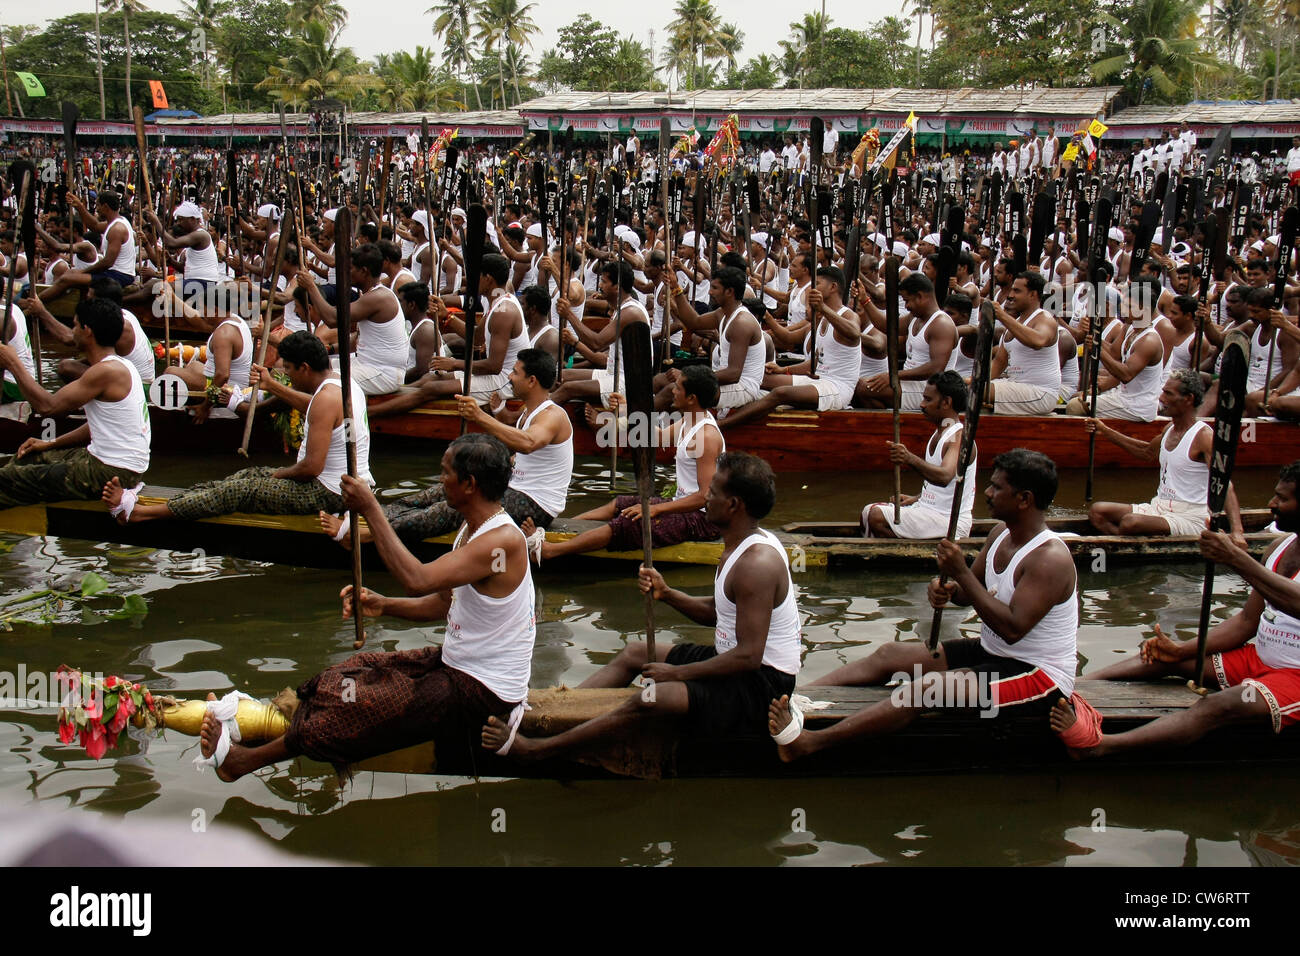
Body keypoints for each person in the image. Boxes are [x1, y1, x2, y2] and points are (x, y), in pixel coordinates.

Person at [197, 434, 533, 781]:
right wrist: (384, 605)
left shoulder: (502, 541)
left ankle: (241, 762)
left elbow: (417, 579)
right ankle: (248, 724)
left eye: (445, 472)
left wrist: (371, 508)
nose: (440, 480)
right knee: (348, 672)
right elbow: (444, 603)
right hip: (458, 665)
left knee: (353, 706)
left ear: (469, 484)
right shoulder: (473, 529)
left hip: (485, 690)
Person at [481, 451, 800, 761]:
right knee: (634, 653)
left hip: (762, 685)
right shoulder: (738, 543)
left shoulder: (756, 563)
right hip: (734, 662)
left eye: (712, 493)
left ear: (733, 505)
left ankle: (537, 750)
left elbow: (748, 656)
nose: (705, 498)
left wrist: (677, 673)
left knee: (651, 698)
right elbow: (720, 613)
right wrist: (668, 593)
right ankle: (559, 712)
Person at [769, 449, 1078, 761]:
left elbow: (1013, 629)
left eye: (997, 487)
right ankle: (793, 699)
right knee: (889, 654)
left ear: (1024, 499)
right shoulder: (1001, 533)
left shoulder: (1049, 558)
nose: (987, 492)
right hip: (993, 652)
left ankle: (809, 744)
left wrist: (959, 572)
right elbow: (969, 592)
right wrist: (947, 589)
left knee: (925, 688)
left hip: (1039, 678)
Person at [1059, 463, 1300, 756]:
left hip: (1296, 676)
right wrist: (1182, 650)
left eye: (1282, 499)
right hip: (1259, 658)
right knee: (1159, 658)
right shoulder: (1278, 548)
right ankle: (1073, 688)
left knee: (1215, 704)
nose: (1271, 504)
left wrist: (1238, 559)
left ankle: (1102, 747)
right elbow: (1246, 622)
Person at [101, 331, 370, 525]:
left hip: (331, 494)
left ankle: (140, 514)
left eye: (288, 369)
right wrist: (273, 385)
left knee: (238, 491)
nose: (285, 374)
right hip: (345, 483)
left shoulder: (325, 399)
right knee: (245, 475)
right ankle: (175, 500)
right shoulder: (340, 382)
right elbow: (314, 405)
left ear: (305, 367)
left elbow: (311, 468)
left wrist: (279, 475)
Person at [323, 348, 573, 549]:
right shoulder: (526, 411)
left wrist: (479, 416)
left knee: (456, 504)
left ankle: (371, 535)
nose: (509, 377)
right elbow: (520, 448)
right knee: (437, 492)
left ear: (532, 381)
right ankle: (372, 518)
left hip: (536, 505)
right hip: (513, 487)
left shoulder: (553, 416)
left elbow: (529, 444)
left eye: (515, 373)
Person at [529, 364, 724, 562]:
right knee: (620, 504)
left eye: (679, 388)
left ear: (692, 398)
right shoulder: (691, 419)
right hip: (682, 506)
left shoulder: (706, 436)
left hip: (702, 520)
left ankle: (551, 551)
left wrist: (654, 510)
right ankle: (564, 528)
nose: (672, 391)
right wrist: (626, 410)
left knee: (627, 523)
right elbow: (656, 437)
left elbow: (704, 497)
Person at [0, 298, 149, 508]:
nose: (73, 331)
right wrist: (51, 443)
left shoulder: (106, 371)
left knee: (7, 479)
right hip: (113, 464)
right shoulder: (120, 365)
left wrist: (13, 363)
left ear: (87, 331)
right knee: (27, 458)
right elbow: (97, 426)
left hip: (113, 473)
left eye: (75, 325)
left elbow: (47, 407)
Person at [1086, 368, 1245, 541]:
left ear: (1188, 399)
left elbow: (1225, 485)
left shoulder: (1204, 437)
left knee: (1130, 523)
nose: (1161, 398)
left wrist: (1237, 532)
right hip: (1160, 507)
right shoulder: (1169, 429)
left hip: (1190, 517)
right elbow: (1146, 452)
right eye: (1163, 392)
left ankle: (1128, 543)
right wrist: (1104, 430)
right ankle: (1131, 543)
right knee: (1098, 512)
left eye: (1168, 394)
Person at [370, 251, 526, 415]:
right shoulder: (497, 299)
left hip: (507, 381)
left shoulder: (504, 312)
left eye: (476, 276)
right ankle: (392, 396)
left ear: (488, 279)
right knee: (430, 378)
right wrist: (447, 315)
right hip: (497, 374)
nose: (472, 281)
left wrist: (454, 364)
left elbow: (493, 366)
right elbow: (477, 337)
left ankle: (372, 412)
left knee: (432, 387)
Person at [718, 265, 861, 428]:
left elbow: (855, 333)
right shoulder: (820, 319)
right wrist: (784, 370)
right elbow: (810, 358)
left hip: (838, 388)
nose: (813, 289)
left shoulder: (848, 315)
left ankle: (723, 425)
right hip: (818, 380)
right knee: (760, 379)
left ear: (833, 287)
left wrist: (824, 308)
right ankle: (728, 408)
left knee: (781, 393)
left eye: (818, 284)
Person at [862, 371, 976, 539]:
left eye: (928, 400)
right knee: (867, 512)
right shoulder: (944, 429)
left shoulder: (958, 437)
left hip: (950, 521)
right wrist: (917, 499)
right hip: (929, 512)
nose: (922, 405)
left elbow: (944, 477)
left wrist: (908, 458)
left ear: (946, 402)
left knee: (875, 515)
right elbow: (946, 488)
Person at [301, 242, 408, 396]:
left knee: (319, 379)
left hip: (383, 374)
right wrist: (330, 350)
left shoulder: (379, 297)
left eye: (350, 269)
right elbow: (358, 339)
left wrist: (311, 287)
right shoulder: (370, 294)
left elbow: (332, 319)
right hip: (367, 366)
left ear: (364, 271)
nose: (346, 272)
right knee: (312, 366)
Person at [667, 266, 765, 414]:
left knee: (672, 391)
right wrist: (676, 287)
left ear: (730, 292)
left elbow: (733, 374)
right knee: (661, 381)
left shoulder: (741, 323)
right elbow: (694, 322)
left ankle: (644, 431)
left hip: (743, 387)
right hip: (727, 380)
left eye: (714, 288)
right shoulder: (723, 313)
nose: (710, 292)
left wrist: (686, 376)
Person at [855, 272, 957, 410]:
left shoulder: (941, 324)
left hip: (929, 390)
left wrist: (893, 375)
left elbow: (936, 368)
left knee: (863, 388)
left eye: (907, 300)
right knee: (860, 387)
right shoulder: (914, 317)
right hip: (910, 383)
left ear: (920, 296)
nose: (906, 306)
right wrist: (864, 300)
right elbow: (886, 325)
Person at [985, 271, 1062, 415]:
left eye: (1017, 291)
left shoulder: (1045, 318)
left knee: (977, 392)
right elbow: (998, 363)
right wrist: (975, 379)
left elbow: (1038, 341)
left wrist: (1002, 315)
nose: (1011, 295)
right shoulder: (1015, 324)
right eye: (1012, 290)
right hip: (1017, 387)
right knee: (967, 389)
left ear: (1033, 294)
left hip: (1041, 393)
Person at [38, 191, 137, 297]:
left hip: (119, 276)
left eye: (98, 205)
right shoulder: (115, 222)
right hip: (113, 273)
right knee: (69, 274)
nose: (97, 209)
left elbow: (108, 262)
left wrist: (83, 272)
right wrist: (79, 206)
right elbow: (95, 225)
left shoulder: (117, 229)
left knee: (66, 279)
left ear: (105, 206)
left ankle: (35, 305)